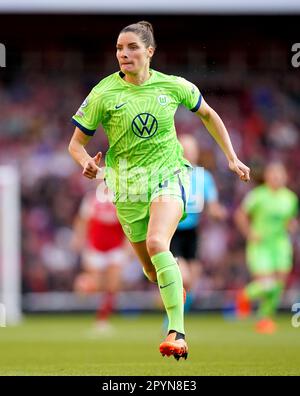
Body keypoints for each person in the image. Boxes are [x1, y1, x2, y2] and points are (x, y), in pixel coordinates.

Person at [68, 21, 250, 360]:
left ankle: (177, 332)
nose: (124, 54)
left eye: (132, 47)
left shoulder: (174, 86)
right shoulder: (103, 93)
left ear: (149, 51)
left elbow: (208, 115)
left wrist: (231, 157)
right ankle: (171, 283)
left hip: (170, 176)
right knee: (152, 269)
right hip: (126, 189)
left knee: (156, 243)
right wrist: (86, 163)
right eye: (119, 49)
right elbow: (76, 144)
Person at [235, 162, 298, 333]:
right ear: (267, 176)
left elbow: (289, 220)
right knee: (266, 283)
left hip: (280, 245)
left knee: (279, 283)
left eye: (280, 174)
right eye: (273, 174)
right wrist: (249, 233)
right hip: (260, 245)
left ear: (285, 177)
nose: (277, 177)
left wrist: (291, 225)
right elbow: (240, 214)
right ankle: (244, 296)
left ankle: (265, 318)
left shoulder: (290, 198)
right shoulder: (257, 196)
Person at [170, 134, 227, 309]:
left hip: (192, 233)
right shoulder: (171, 174)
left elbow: (212, 204)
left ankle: (174, 321)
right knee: (183, 278)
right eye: (186, 150)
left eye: (192, 150)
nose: (189, 153)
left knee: (191, 283)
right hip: (173, 232)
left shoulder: (204, 177)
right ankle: (172, 321)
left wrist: (217, 212)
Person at [72, 184, 126, 332]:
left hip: (115, 246)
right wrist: (78, 239)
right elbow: (83, 221)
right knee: (95, 284)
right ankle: (82, 288)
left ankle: (102, 318)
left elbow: (127, 223)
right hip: (96, 246)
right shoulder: (91, 199)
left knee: (113, 285)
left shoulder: (122, 198)